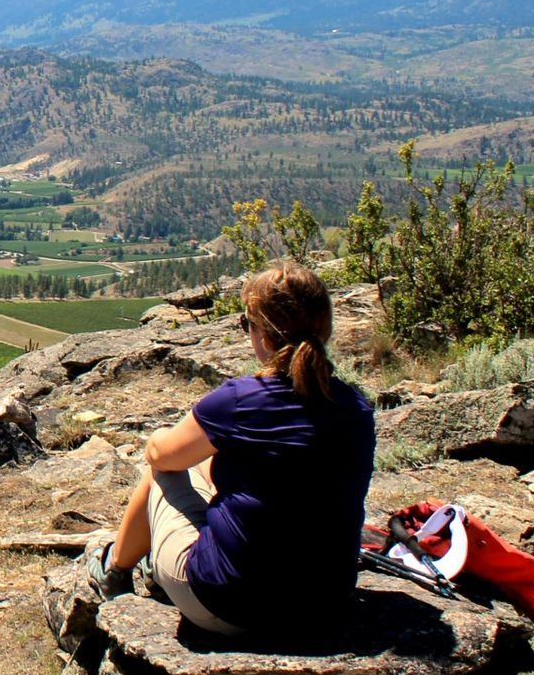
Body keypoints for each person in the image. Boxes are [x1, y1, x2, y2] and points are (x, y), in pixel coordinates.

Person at [85, 259, 375, 635]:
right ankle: (152, 562)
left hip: (227, 605)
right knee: (210, 466)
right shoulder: (356, 407)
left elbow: (161, 455)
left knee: (162, 472)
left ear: (261, 332)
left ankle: (115, 572)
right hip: (323, 605)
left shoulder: (240, 400)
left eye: (246, 324)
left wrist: (161, 436)